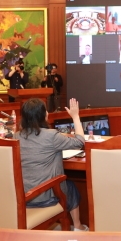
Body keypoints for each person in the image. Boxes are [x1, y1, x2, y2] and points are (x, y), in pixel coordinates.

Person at [15, 97, 88, 231]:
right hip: (45, 197)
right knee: (70, 186)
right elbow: (80, 142)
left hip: (23, 196)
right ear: (44, 115)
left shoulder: (17, 136)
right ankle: (78, 226)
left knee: (67, 185)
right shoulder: (51, 136)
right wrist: (75, 117)